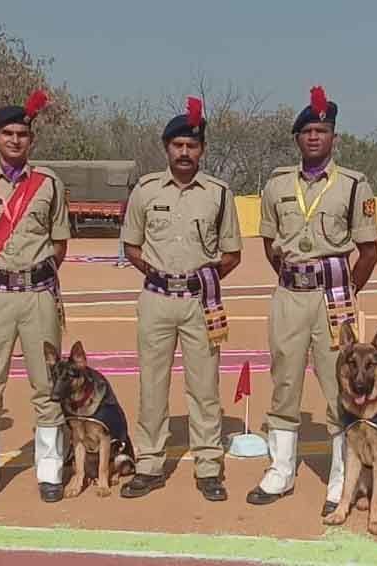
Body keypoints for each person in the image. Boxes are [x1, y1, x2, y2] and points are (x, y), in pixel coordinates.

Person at [246, 86, 377, 517]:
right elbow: (270, 243)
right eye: (306, 131)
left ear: (333, 138)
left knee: (339, 386)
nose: (313, 137)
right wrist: (295, 279)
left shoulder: (354, 185)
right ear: (297, 138)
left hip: (333, 299)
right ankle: (281, 468)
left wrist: (344, 288)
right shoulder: (276, 184)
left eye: (321, 130)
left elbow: (369, 251)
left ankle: (342, 477)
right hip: (289, 293)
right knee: (284, 381)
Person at [118, 97, 242, 502]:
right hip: (156, 299)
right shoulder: (145, 190)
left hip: (200, 302)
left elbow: (231, 252)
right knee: (152, 385)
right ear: (166, 148)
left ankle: (208, 465)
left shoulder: (219, 194)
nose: (185, 152)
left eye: (192, 145)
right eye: (178, 146)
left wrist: (202, 279)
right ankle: (150, 463)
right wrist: (158, 275)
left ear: (202, 149)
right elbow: (132, 245)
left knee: (204, 387)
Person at [0, 90, 71, 508]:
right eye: (8, 133)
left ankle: (50, 469)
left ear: (31, 140)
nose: (16, 140)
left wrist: (34, 273)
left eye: (23, 133)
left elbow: (59, 243)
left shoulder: (49, 184)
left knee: (47, 384)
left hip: (38, 295)